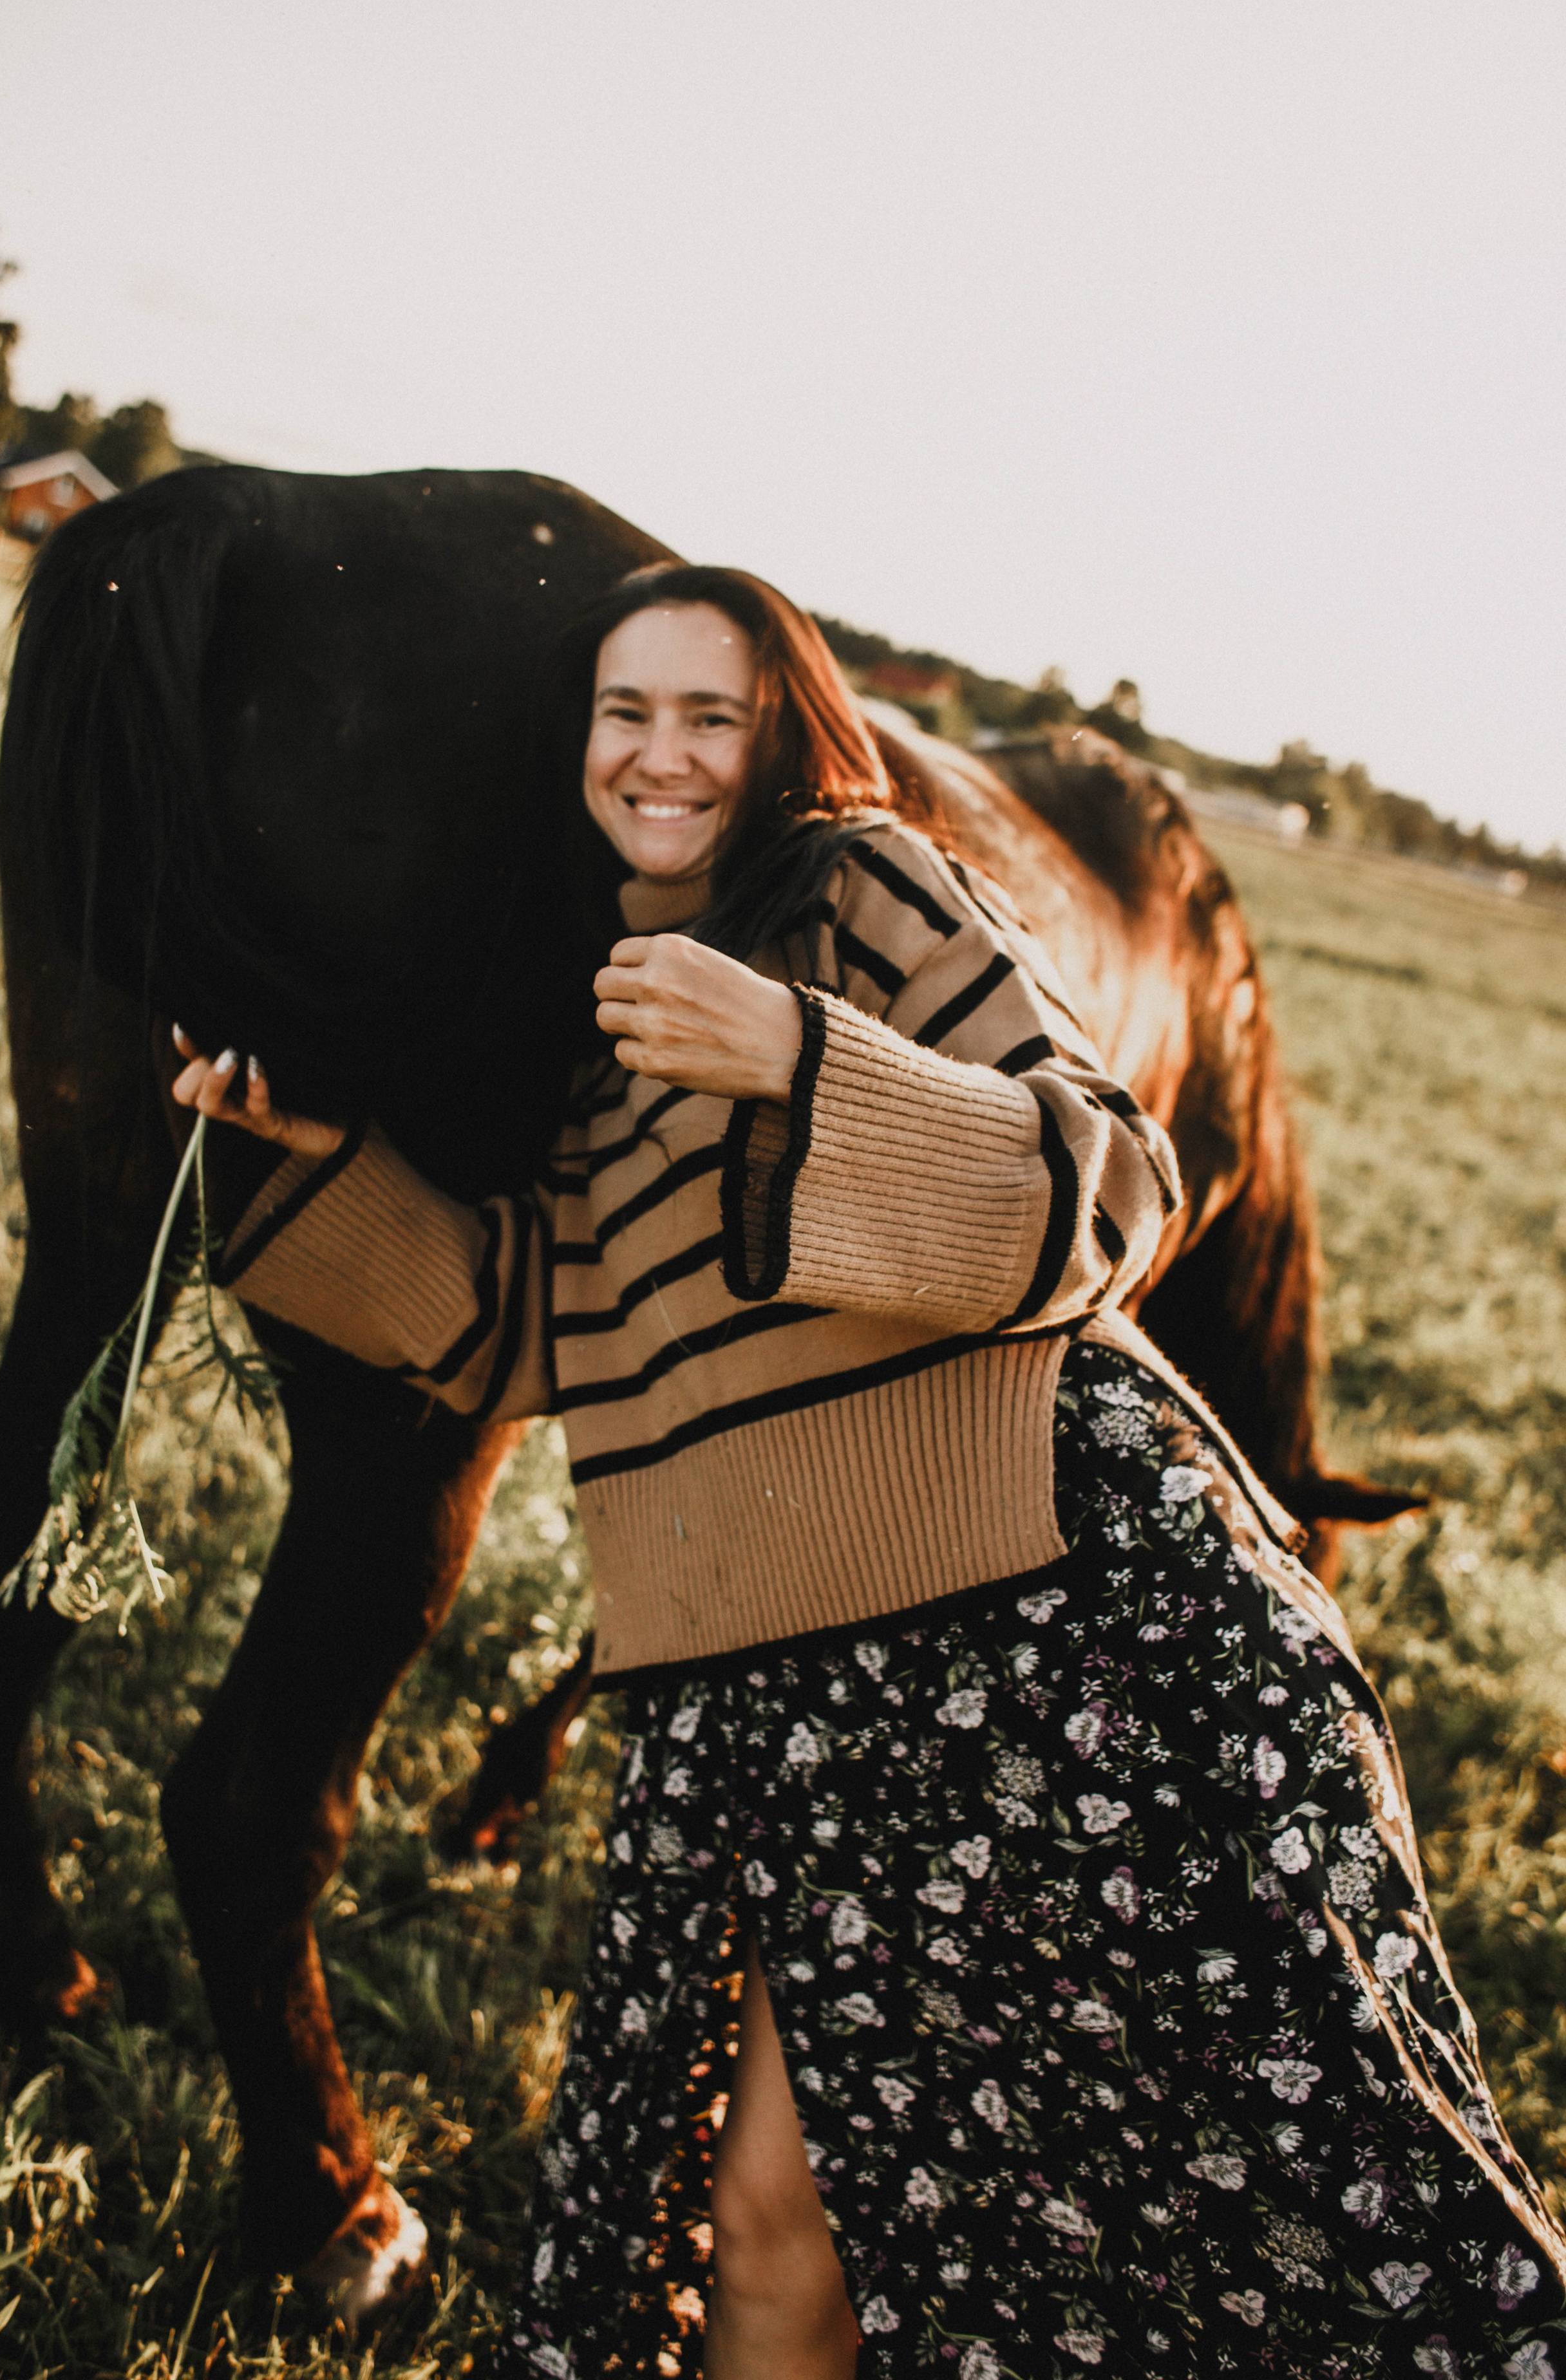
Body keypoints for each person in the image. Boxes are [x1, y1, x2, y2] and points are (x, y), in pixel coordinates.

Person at [175, 567, 1566, 2379]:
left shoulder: (868, 891)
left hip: (1054, 1640)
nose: (663, 752)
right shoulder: (597, 1052)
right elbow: (534, 1332)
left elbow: (1120, 1184)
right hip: (790, 1703)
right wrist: (303, 1161)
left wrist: (803, 1059)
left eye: (712, 713)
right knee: (767, 2226)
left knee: (1294, 2216)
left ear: (783, 737)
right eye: (624, 711)